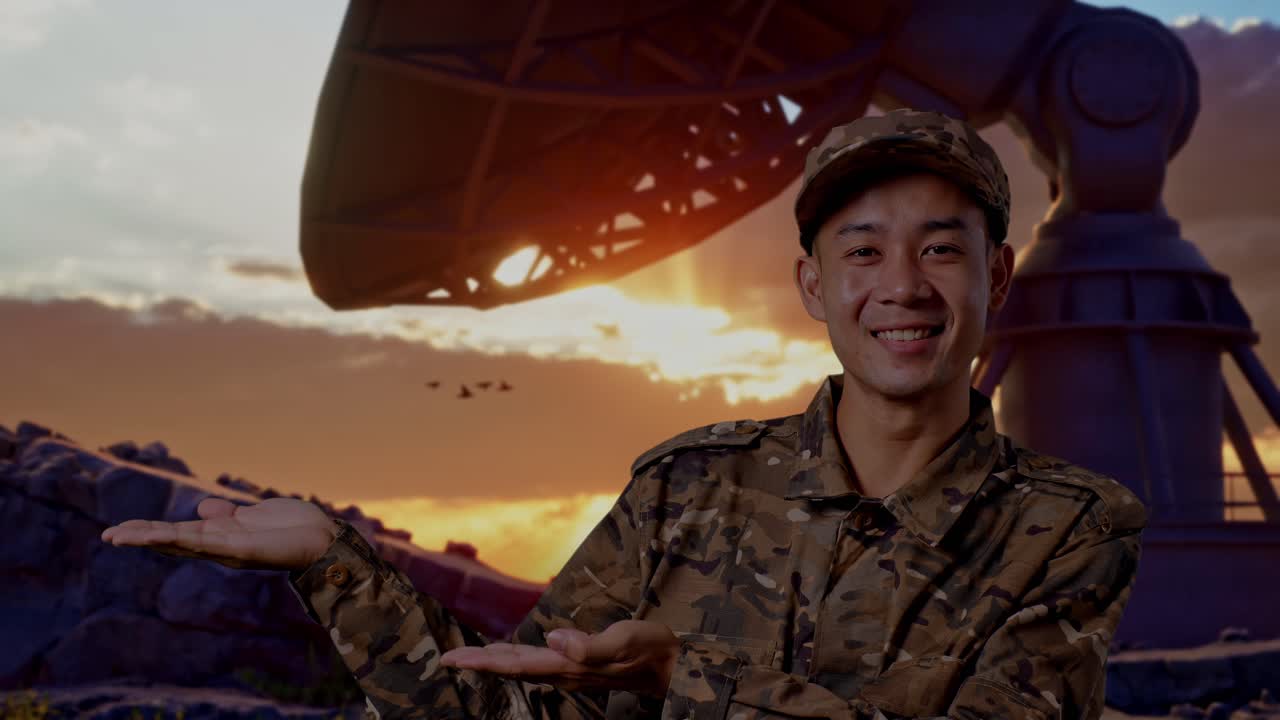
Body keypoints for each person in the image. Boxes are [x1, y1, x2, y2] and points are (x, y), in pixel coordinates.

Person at [101, 108, 1147, 720]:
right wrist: (338, 565)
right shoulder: (687, 488)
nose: (902, 285)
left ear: (997, 275)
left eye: (940, 246)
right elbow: (516, 710)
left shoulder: (1072, 526)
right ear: (811, 287)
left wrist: (675, 676)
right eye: (861, 250)